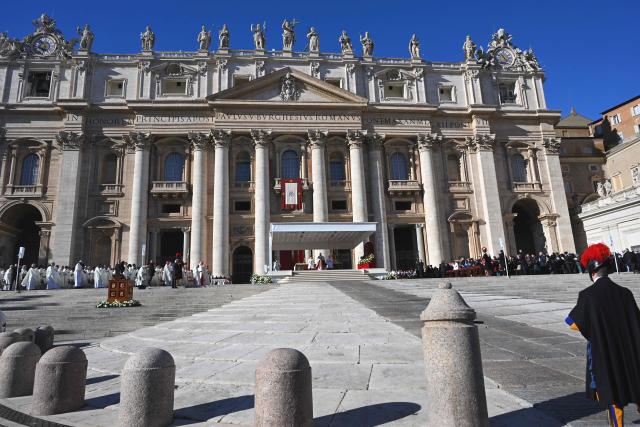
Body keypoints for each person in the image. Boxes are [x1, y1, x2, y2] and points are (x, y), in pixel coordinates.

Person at [566, 243, 640, 426]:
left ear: (592, 274)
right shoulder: (625, 293)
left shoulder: (588, 295)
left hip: (606, 351)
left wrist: (594, 329)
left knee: (613, 395)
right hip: (631, 351)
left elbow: (572, 322)